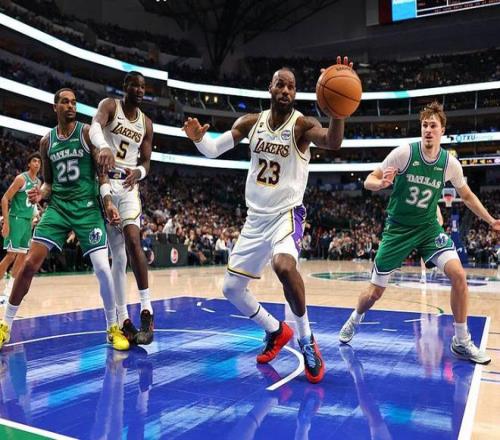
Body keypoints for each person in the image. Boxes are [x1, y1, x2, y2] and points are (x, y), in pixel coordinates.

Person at [183, 56, 354, 383]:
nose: (286, 90)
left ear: (296, 93)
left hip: (286, 214)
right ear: (270, 88)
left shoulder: (302, 126)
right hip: (255, 219)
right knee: (231, 288)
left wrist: (337, 112)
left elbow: (333, 142)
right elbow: (213, 149)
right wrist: (198, 138)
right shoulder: (251, 122)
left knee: (284, 267)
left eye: (291, 87)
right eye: (280, 84)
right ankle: (276, 330)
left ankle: (307, 340)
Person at [339, 101, 499, 364]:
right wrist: (380, 183)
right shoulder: (404, 153)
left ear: (442, 130)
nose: (428, 130)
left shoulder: (449, 163)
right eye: (424, 125)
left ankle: (461, 341)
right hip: (398, 230)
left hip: (427, 228)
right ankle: (355, 318)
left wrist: (491, 220)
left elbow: (468, 196)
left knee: (459, 275)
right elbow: (369, 179)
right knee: (374, 293)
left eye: (433, 125)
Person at [0, 88, 129, 351]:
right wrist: (41, 193)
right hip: (58, 208)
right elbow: (48, 183)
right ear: (55, 107)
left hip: (87, 208)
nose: (71, 106)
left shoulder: (86, 133)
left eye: (74, 102)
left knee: (102, 269)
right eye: (65, 102)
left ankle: (112, 327)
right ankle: (5, 325)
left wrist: (107, 203)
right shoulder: (46, 142)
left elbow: (101, 175)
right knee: (29, 264)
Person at [90, 71, 154, 345]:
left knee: (132, 239)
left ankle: (147, 309)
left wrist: (139, 172)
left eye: (143, 87)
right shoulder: (110, 106)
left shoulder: (146, 123)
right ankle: (123, 318)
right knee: (117, 258)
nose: (139, 90)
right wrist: (104, 146)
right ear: (125, 86)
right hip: (105, 183)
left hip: (128, 187)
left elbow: (147, 162)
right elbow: (94, 126)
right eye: (135, 85)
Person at [0, 153, 42, 298]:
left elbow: (32, 202)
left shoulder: (38, 182)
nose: (37, 164)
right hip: (16, 219)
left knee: (22, 256)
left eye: (39, 162)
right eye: (34, 161)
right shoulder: (21, 179)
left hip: (27, 222)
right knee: (11, 255)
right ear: (29, 164)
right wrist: (6, 223)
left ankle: (9, 289)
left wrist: (36, 215)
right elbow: (5, 198)